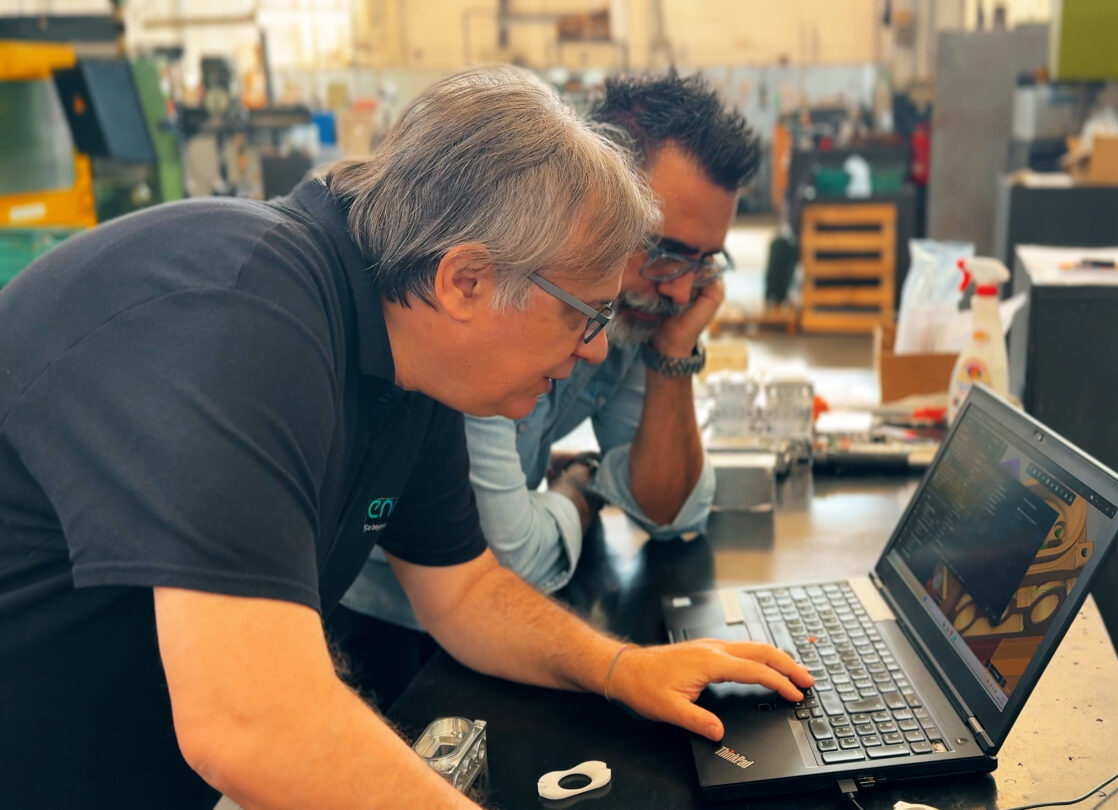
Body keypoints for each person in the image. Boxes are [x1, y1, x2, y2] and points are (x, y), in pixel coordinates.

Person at [0, 66, 810, 810]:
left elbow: (462, 594)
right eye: (584, 314)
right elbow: (252, 725)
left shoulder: (410, 360)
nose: (599, 348)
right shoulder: (245, 318)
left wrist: (618, 667)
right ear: (467, 280)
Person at [337, 75, 756, 690]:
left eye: (702, 263)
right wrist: (584, 487)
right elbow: (512, 565)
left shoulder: (634, 314)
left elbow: (670, 511)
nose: (678, 289)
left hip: (486, 618)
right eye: (661, 248)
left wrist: (673, 354)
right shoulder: (489, 315)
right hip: (391, 622)